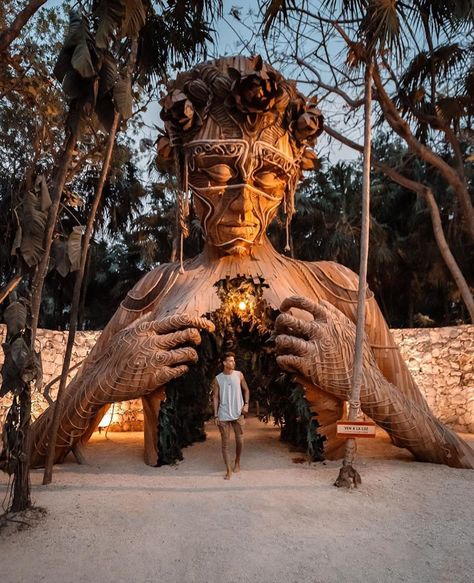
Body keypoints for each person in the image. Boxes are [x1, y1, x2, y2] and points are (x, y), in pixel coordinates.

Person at [28, 55, 474, 470]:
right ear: (186, 174)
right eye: (217, 174)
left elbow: (447, 447)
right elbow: (29, 449)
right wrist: (100, 383)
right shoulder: (155, 290)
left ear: (290, 182)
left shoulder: (338, 288)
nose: (242, 204)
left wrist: (364, 384)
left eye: (266, 178)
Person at [212, 353, 250, 480]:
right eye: (230, 361)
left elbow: (246, 390)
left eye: (233, 361)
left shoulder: (239, 375)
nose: (233, 363)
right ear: (224, 363)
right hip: (223, 414)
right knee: (225, 444)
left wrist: (246, 404)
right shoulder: (218, 378)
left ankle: (237, 461)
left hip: (238, 413)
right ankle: (228, 469)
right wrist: (216, 415)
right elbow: (215, 397)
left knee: (240, 440)